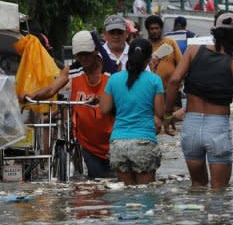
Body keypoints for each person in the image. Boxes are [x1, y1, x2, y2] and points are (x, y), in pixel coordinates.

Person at [165, 13, 233, 189]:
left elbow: (174, 81)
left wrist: (167, 115)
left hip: (191, 126)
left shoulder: (193, 52)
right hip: (217, 129)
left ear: (214, 33)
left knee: (197, 186)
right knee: (219, 192)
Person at [21, 31, 115, 179]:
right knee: (98, 183)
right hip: (87, 141)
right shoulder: (72, 70)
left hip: (113, 139)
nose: (83, 58)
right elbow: (52, 88)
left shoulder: (111, 71)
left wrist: (99, 98)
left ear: (96, 51)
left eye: (86, 54)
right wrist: (32, 95)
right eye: (79, 55)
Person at [100, 39, 164, 185]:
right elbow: (160, 113)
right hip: (144, 142)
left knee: (125, 198)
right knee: (144, 196)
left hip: (118, 144)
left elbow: (104, 108)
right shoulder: (155, 80)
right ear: (148, 59)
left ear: (128, 56)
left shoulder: (114, 79)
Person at [145, 15, 183, 135]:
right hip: (152, 91)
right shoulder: (145, 46)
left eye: (157, 28)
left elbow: (181, 63)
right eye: (152, 29)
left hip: (171, 89)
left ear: (161, 29)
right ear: (148, 30)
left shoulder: (170, 43)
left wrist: (178, 82)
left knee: (173, 119)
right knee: (156, 121)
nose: (155, 31)